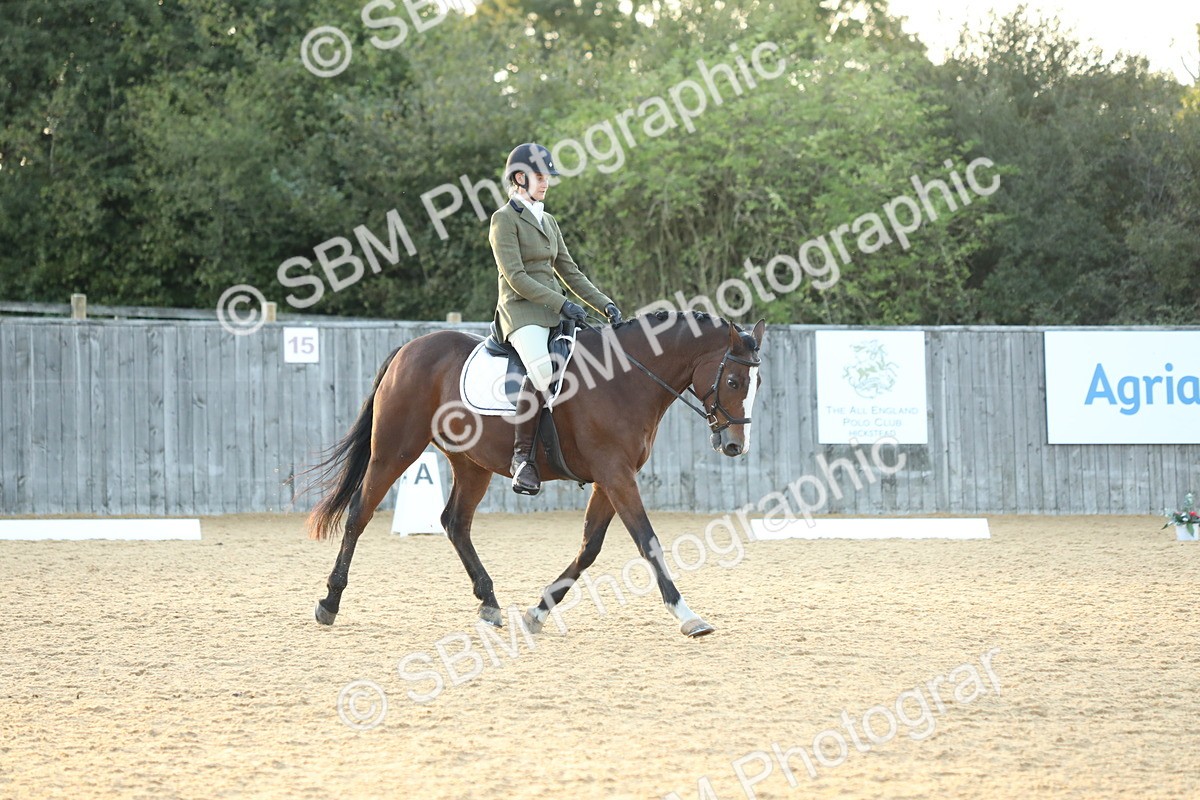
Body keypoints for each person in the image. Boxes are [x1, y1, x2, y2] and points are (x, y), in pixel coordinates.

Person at [489, 142, 622, 495]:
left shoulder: (548, 221)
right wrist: (562, 304)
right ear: (520, 178)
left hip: (553, 311)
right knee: (543, 371)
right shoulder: (503, 220)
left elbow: (570, 272)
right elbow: (516, 277)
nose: (546, 182)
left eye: (547, 176)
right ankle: (522, 459)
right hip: (521, 311)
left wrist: (605, 304)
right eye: (539, 176)